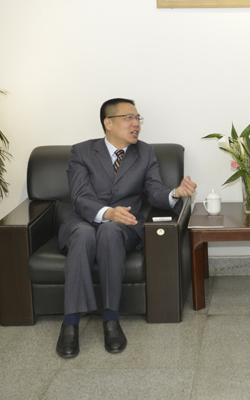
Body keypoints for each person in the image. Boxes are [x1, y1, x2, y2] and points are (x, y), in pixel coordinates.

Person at [55, 98, 197, 358]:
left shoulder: (145, 152)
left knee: (110, 231)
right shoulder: (82, 151)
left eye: (138, 118)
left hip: (125, 226)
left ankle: (111, 319)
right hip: (83, 221)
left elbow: (154, 191)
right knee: (85, 234)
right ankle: (70, 324)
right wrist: (108, 212)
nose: (136, 124)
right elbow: (79, 196)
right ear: (108, 123)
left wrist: (175, 193)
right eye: (129, 118)